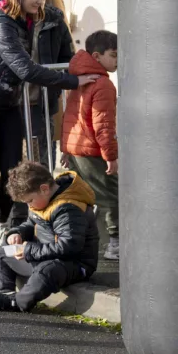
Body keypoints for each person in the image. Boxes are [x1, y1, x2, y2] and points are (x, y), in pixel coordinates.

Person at [0, 0, 99, 262]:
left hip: (9, 103)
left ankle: (0, 227)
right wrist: (73, 81)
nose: (41, 1)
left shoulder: (27, 18)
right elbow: (24, 69)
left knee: (11, 170)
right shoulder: (2, 24)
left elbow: (59, 45)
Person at [0, 160, 99, 312]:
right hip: (44, 255)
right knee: (0, 254)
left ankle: (17, 302)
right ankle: (5, 293)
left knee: (46, 270)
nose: (29, 205)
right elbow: (31, 224)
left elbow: (69, 246)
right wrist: (17, 233)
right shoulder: (43, 200)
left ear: (44, 189)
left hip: (74, 264)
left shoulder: (68, 208)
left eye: (29, 201)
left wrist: (29, 250)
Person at [62, 29, 119, 260]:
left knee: (82, 198)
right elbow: (103, 125)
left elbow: (70, 116)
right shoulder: (103, 84)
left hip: (76, 148)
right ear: (97, 56)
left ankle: (76, 242)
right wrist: (110, 156)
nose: (118, 60)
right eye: (113, 55)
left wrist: (65, 148)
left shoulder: (79, 78)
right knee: (113, 195)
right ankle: (116, 244)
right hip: (91, 150)